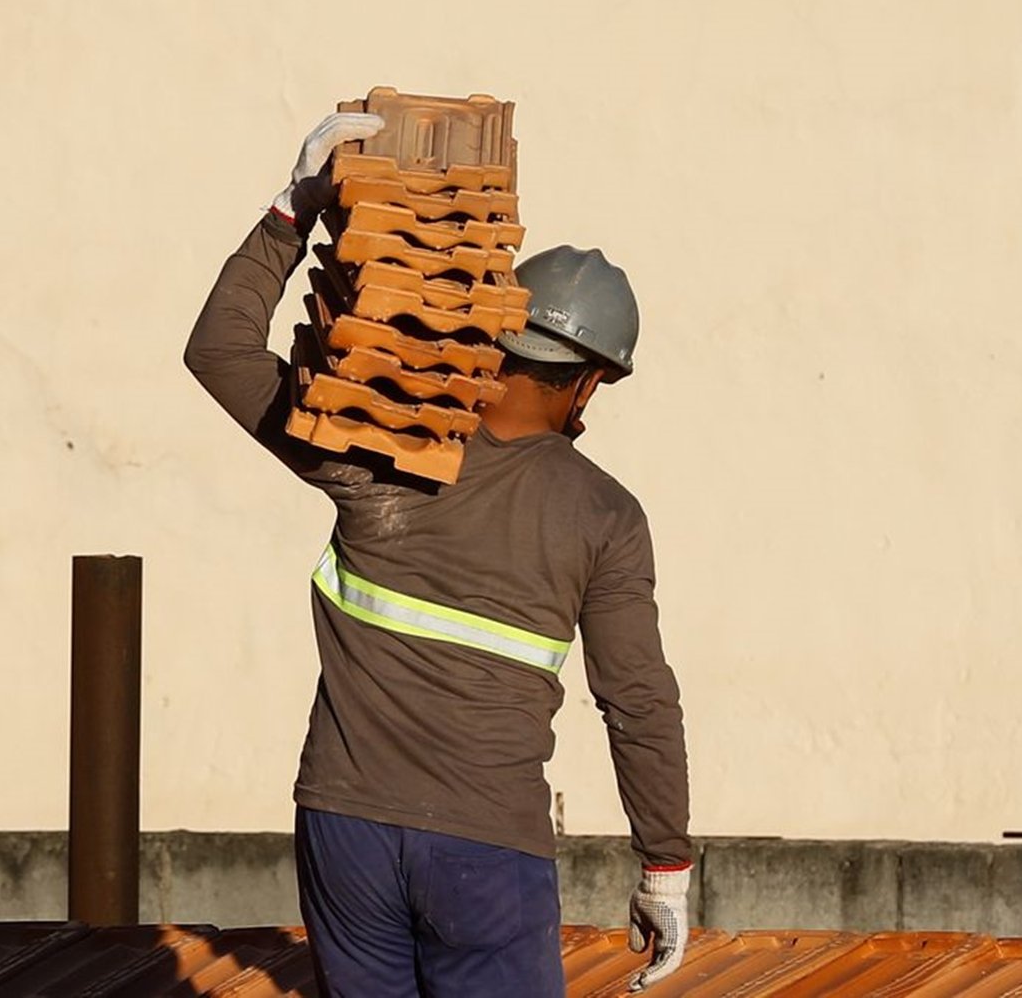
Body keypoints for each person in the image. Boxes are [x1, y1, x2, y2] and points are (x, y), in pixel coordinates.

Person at [184, 112, 691, 997]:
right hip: (486, 852)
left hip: (344, 829)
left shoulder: (374, 444)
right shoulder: (604, 516)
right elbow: (638, 701)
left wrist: (292, 210)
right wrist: (665, 867)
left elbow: (218, 350)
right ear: (589, 379)